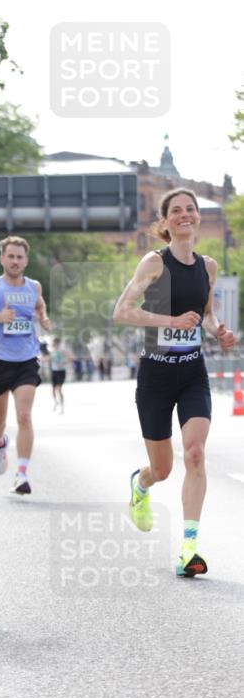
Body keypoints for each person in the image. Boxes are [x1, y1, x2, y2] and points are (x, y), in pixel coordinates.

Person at [113, 188, 236, 578]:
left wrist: (218, 331)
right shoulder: (154, 263)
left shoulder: (208, 266)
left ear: (198, 217)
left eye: (191, 209)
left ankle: (188, 549)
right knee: (162, 468)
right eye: (176, 211)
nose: (185, 215)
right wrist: (169, 321)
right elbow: (122, 312)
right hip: (156, 374)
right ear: (165, 222)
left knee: (196, 453)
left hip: (192, 372)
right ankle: (141, 484)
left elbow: (206, 313)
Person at [0, 236, 50, 494]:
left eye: (20, 257)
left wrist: (44, 317)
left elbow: (40, 307)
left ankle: (21, 474)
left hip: (26, 360)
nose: (15, 261)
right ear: (2, 259)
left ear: (26, 260)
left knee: (24, 415)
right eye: (11, 256)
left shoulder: (34, 287)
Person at [50, 336, 71, 412]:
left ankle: (62, 406)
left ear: (57, 343)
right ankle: (56, 402)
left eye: (54, 343)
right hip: (54, 371)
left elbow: (70, 358)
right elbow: (49, 358)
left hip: (61, 371)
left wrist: (63, 363)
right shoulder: (52, 351)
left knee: (59, 389)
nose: (53, 344)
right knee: (53, 390)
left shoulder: (62, 350)